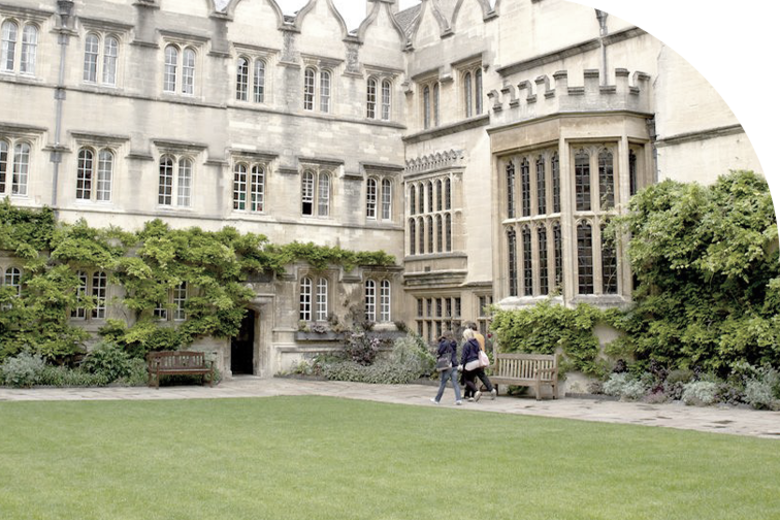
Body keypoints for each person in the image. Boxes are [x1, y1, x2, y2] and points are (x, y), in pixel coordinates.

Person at [459, 328, 496, 402]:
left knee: (467, 379)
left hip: (470, 363)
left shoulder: (467, 344)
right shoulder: (477, 342)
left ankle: (476, 391)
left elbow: (464, 356)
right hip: (478, 362)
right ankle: (490, 390)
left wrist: (461, 364)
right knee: (480, 376)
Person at [431, 331, 463, 405]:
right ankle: (458, 399)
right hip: (454, 364)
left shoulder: (444, 343)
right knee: (455, 383)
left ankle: (437, 399)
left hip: (447, 364)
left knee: (443, 383)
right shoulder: (454, 342)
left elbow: (439, 351)